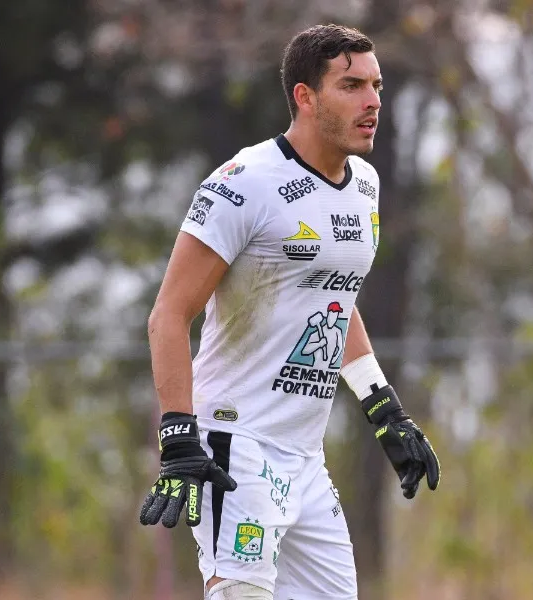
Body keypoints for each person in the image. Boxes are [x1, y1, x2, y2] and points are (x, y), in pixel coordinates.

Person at [139, 23, 440, 600]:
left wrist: (385, 410)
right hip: (235, 445)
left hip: (305, 458)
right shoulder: (244, 183)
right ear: (305, 96)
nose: (373, 101)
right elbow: (168, 317)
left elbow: (334, 296)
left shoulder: (366, 187)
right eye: (351, 85)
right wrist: (178, 437)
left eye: (377, 85)